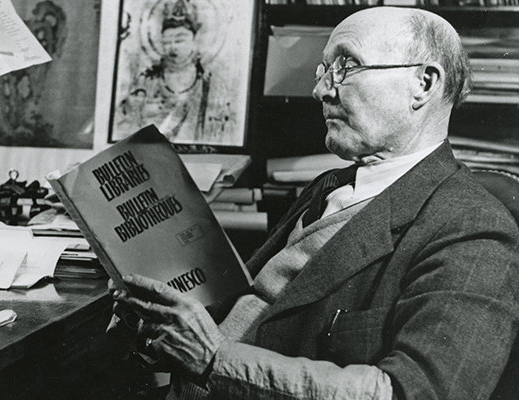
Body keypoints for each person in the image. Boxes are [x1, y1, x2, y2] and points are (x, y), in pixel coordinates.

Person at [108, 6, 519, 400]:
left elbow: (416, 394)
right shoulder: (330, 186)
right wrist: (164, 322)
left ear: (423, 84)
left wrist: (213, 359)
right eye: (325, 69)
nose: (320, 88)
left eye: (346, 66)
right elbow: (256, 314)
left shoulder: (475, 229)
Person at [114, 0, 234, 144]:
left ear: (195, 41)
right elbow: (122, 127)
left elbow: (225, 133)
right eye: (167, 42)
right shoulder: (145, 83)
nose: (172, 48)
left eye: (179, 41)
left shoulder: (214, 86)